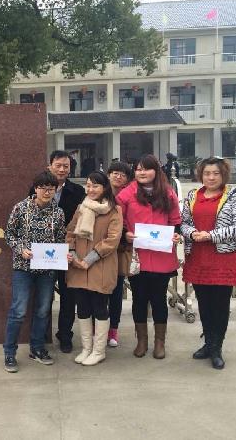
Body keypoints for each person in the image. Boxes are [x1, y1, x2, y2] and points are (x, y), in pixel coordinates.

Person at [181, 157, 236, 370]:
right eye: (207, 173)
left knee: (220, 305)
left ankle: (217, 347)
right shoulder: (193, 195)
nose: (211, 177)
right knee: (204, 304)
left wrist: (210, 235)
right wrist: (192, 232)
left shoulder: (233, 196)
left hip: (222, 259)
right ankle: (208, 343)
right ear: (201, 175)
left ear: (223, 175)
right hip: (198, 257)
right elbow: (183, 223)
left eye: (216, 173)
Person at [116, 154, 182, 359]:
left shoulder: (168, 193)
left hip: (162, 256)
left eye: (146, 168)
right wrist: (125, 233)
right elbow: (117, 220)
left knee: (159, 299)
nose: (142, 172)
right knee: (139, 299)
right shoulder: (127, 193)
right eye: (138, 169)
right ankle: (142, 341)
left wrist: (176, 234)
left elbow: (175, 221)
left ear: (156, 171)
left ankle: (160, 342)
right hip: (137, 257)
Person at [4, 171, 66, 373]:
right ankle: (9, 352)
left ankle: (37, 348)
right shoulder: (21, 208)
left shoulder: (58, 213)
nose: (47, 192)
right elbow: (9, 234)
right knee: (18, 310)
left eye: (51, 189)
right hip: (23, 267)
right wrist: (20, 248)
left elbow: (60, 239)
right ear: (35, 188)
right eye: (43, 188)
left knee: (42, 310)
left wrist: (63, 255)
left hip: (47, 270)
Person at [30, 150, 85, 353]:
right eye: (58, 165)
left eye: (66, 166)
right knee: (43, 296)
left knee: (68, 296)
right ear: (50, 166)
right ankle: (42, 334)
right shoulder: (36, 188)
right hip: (43, 252)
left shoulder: (78, 191)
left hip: (67, 251)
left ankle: (65, 335)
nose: (62, 169)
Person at [66, 171, 123, 365]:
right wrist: (73, 255)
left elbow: (112, 240)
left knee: (100, 307)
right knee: (82, 308)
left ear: (105, 188)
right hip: (78, 265)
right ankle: (86, 348)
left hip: (101, 265)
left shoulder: (114, 210)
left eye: (95, 186)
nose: (90, 189)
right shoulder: (81, 207)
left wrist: (89, 259)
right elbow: (70, 233)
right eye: (88, 185)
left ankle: (99, 351)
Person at [106, 161, 134, 347]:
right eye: (115, 173)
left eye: (123, 174)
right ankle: (98, 327)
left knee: (116, 291)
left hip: (120, 249)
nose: (118, 176)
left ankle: (113, 329)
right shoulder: (98, 192)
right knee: (99, 291)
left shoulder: (131, 197)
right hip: (100, 250)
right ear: (108, 175)